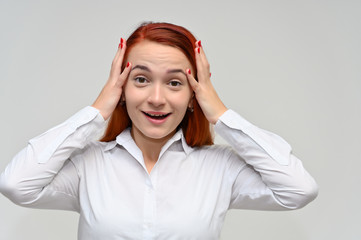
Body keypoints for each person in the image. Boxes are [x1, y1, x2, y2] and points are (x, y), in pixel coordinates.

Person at [0, 22, 318, 240]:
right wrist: (98, 108)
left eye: (175, 82)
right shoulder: (88, 165)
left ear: (194, 95)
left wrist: (218, 112)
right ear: (122, 88)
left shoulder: (220, 168)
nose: (156, 98)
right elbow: (16, 185)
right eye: (141, 79)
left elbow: (298, 190)